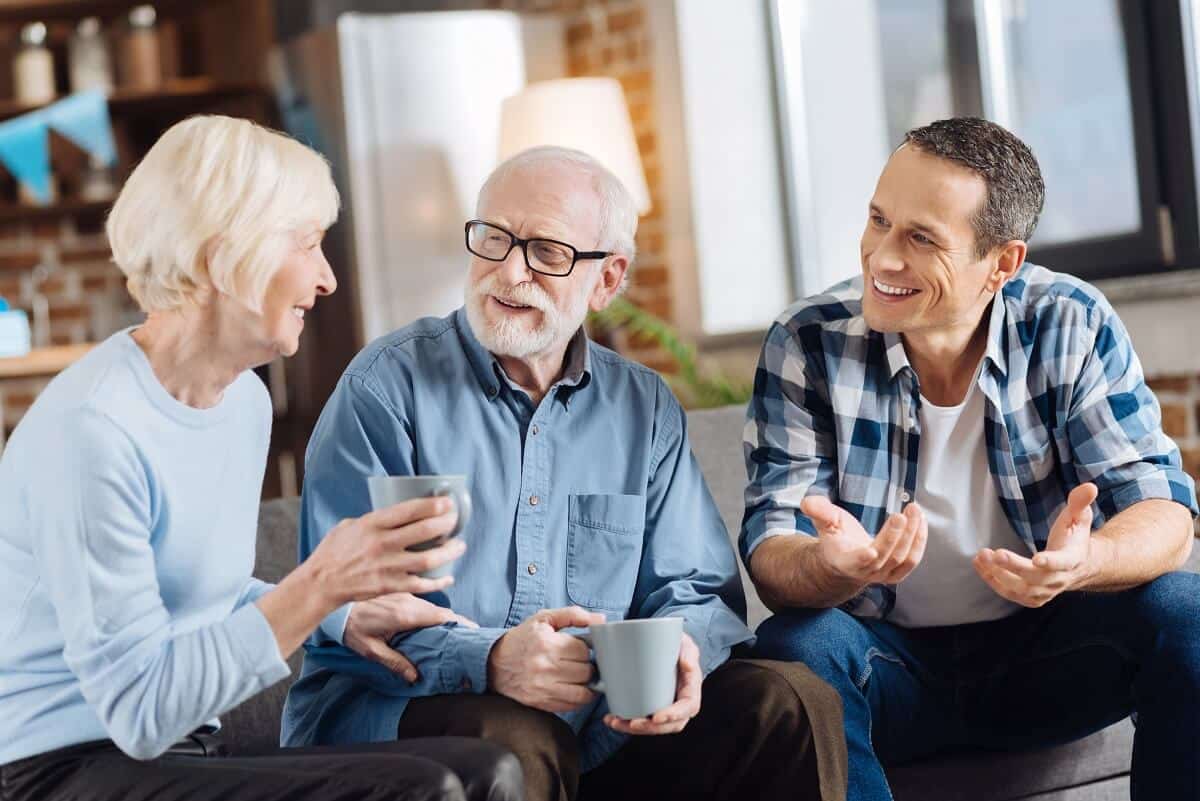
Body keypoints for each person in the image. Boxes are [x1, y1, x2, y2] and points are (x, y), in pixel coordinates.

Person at [281, 145, 848, 801]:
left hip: (596, 729)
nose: (508, 270)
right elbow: (345, 605)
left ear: (608, 280)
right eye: (493, 239)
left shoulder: (644, 406)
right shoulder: (388, 387)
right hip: (394, 717)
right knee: (517, 740)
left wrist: (683, 655)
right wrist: (492, 661)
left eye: (546, 251)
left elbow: (695, 592)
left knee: (790, 700)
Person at [0, 115, 522, 801]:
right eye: (306, 244)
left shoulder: (240, 402)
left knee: (489, 770)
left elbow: (196, 595)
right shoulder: (94, 432)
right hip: (56, 769)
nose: (328, 278)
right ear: (224, 258)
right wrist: (319, 586)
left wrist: (343, 613)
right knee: (423, 790)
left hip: (173, 752)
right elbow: (140, 712)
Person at [742, 117, 1200, 801]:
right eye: (878, 220)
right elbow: (774, 547)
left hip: (1047, 656)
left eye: (920, 238)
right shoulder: (807, 340)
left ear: (1003, 263)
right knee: (795, 648)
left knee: (1185, 609)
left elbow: (1165, 510)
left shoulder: (1069, 322)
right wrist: (825, 565)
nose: (881, 257)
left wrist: (1088, 562)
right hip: (886, 664)